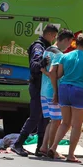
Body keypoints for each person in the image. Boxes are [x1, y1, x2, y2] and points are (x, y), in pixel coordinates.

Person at [48, 34, 83, 163]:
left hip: (64, 89)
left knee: (65, 122)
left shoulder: (65, 56)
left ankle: (53, 147)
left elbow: (59, 74)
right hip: (80, 91)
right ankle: (71, 155)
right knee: (76, 125)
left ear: (75, 44)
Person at [11, 23, 59, 157]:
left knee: (44, 118)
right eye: (54, 36)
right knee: (35, 116)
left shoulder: (45, 47)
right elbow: (34, 65)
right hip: (37, 86)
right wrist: (42, 63)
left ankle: (40, 148)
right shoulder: (39, 46)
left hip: (42, 87)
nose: (54, 39)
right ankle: (18, 144)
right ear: (49, 34)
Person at [37, 29, 75, 157]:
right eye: (70, 43)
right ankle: (51, 149)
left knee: (52, 121)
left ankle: (43, 147)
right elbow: (53, 72)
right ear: (65, 40)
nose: (69, 46)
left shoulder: (48, 50)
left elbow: (45, 69)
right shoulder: (59, 54)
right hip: (51, 91)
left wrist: (45, 72)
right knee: (56, 121)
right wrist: (56, 92)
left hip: (43, 90)